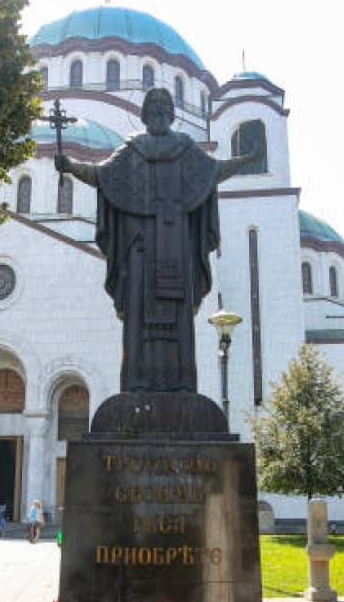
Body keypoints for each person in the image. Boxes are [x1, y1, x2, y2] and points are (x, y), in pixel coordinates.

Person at [56, 88, 257, 393]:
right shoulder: (132, 149)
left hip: (177, 248)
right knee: (137, 314)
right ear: (146, 114)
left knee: (179, 314)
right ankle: (136, 383)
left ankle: (182, 383)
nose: (159, 114)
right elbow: (102, 175)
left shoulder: (186, 149)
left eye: (164, 108)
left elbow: (213, 172)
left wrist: (245, 161)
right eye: (154, 108)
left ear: (171, 115)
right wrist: (70, 166)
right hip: (139, 250)